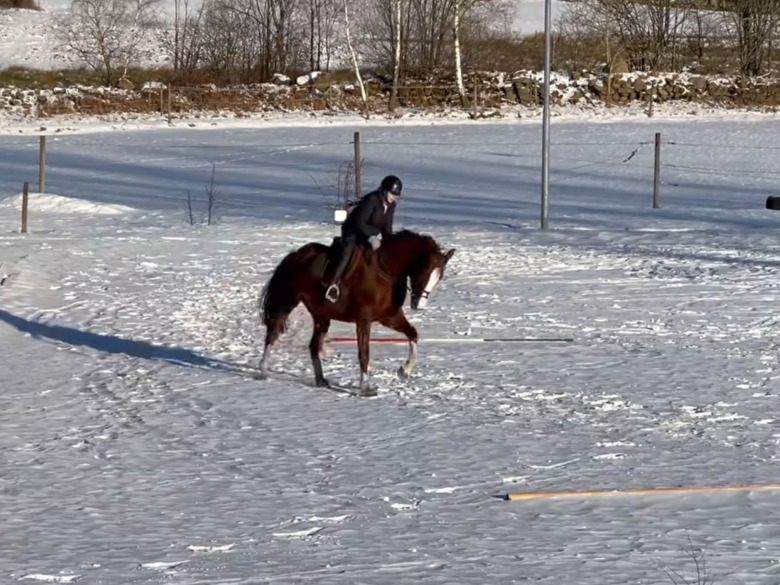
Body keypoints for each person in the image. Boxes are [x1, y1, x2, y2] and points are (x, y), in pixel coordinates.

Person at [325, 175, 402, 302]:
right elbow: (360, 223)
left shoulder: (391, 206)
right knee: (346, 254)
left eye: (395, 195)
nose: (393, 197)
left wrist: (390, 242)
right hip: (353, 231)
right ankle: (333, 284)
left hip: (371, 234)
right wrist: (372, 237)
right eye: (392, 193)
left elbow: (387, 227)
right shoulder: (371, 200)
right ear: (384, 190)